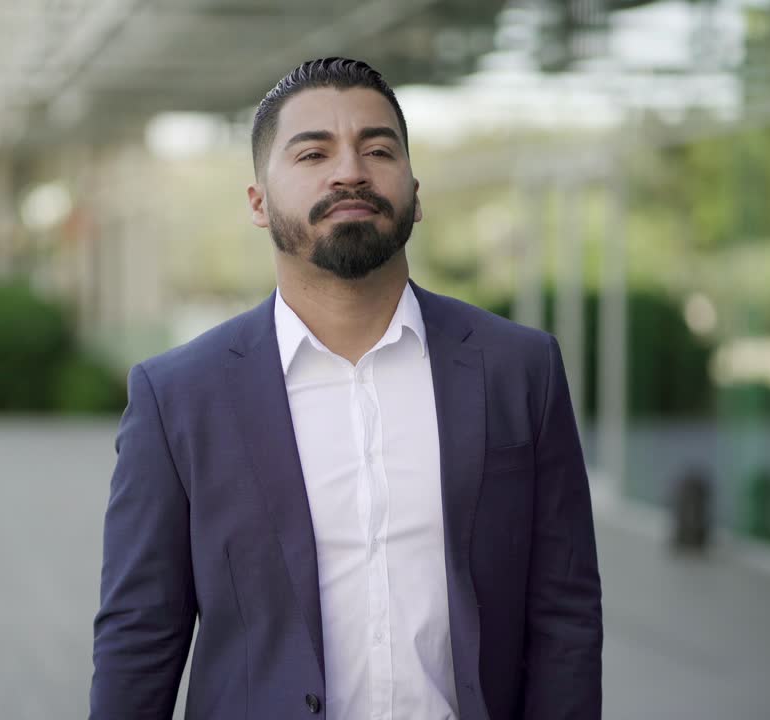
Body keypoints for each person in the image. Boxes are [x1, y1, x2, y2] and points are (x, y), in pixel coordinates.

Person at [90, 57, 602, 720]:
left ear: (415, 192)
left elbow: (564, 613)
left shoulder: (519, 369)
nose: (350, 171)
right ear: (258, 203)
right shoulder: (178, 398)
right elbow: (139, 637)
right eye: (313, 153)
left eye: (378, 149)